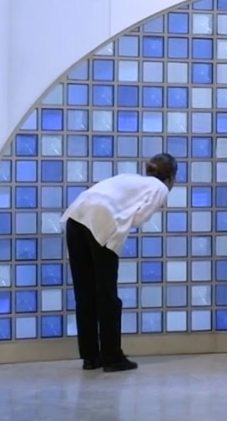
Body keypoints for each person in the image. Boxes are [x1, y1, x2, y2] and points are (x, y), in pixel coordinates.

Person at [62, 153, 178, 373]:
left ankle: (90, 357)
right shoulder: (160, 187)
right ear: (171, 177)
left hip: (75, 218)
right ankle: (112, 356)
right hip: (101, 224)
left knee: (85, 294)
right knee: (107, 296)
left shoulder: (129, 178)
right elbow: (140, 218)